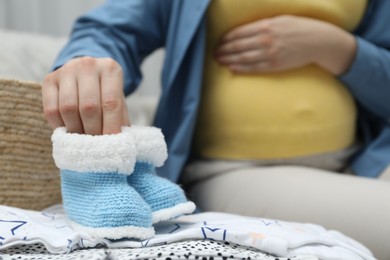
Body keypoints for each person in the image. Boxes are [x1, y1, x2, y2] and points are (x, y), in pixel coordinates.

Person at [42, 0, 390, 258]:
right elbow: (113, 28)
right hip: (238, 169)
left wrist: (339, 48)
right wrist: (83, 63)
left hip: (369, 154)